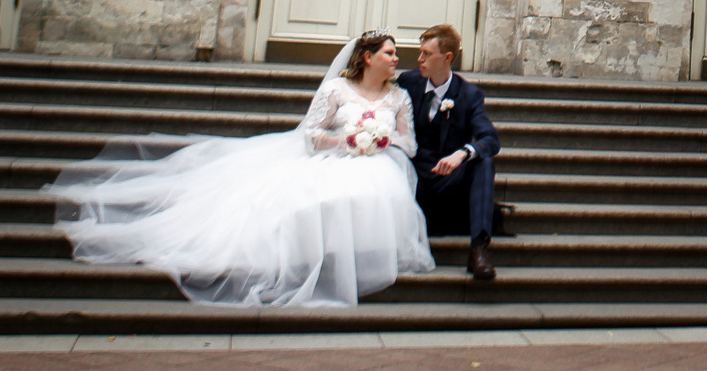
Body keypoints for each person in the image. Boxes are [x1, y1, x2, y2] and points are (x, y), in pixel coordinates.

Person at [47, 28, 435, 305]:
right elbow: (311, 134)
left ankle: (354, 256)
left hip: (375, 160)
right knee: (310, 195)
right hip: (331, 155)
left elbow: (409, 142)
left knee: (378, 189)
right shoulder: (336, 90)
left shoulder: (398, 96)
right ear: (368, 57)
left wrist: (379, 140)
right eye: (389, 52)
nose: (395, 59)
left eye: (395, 53)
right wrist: (346, 140)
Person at [398, 21, 501, 280]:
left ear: (447, 58)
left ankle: (478, 250)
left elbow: (491, 139)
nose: (419, 59)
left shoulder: (469, 94)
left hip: (446, 178)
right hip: (413, 175)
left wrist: (463, 153)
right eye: (420, 52)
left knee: (484, 163)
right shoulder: (407, 83)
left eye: (426, 54)